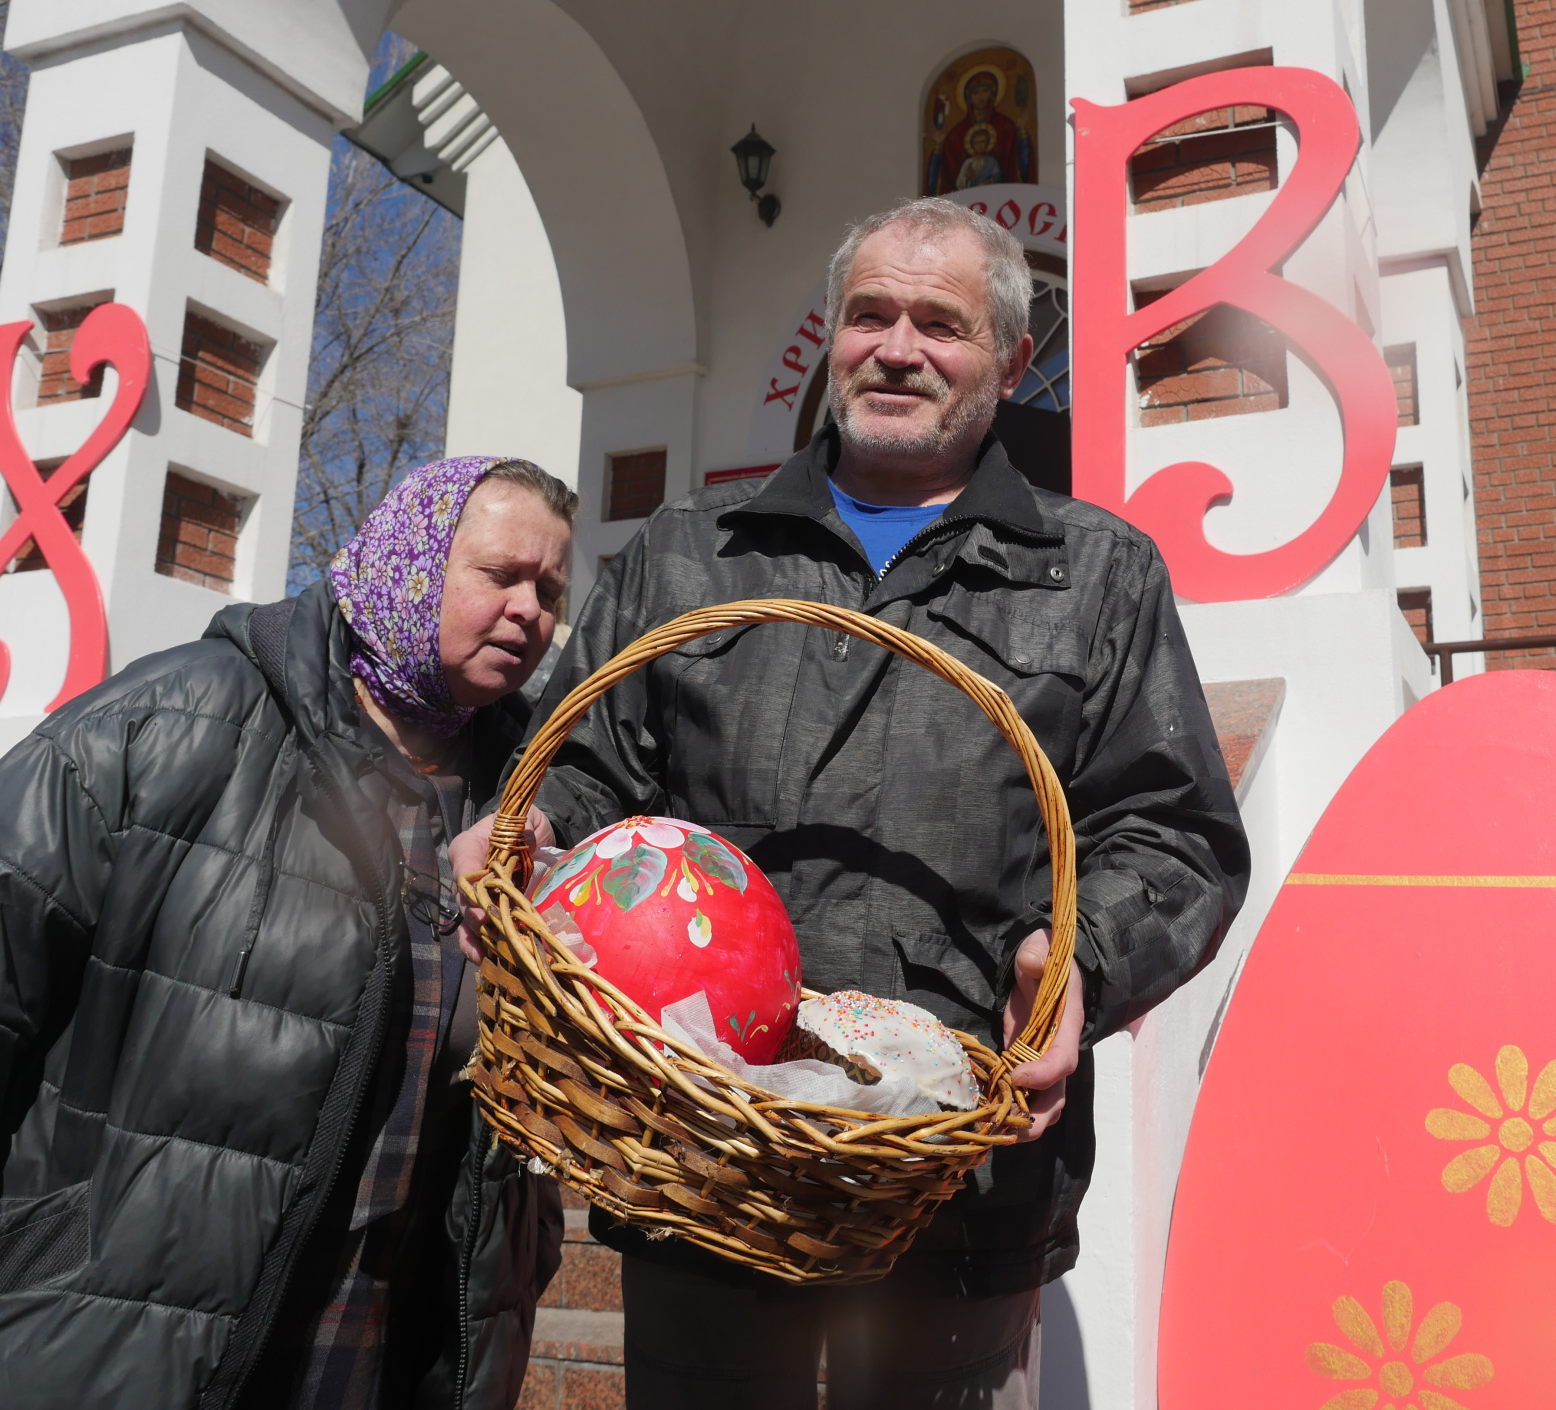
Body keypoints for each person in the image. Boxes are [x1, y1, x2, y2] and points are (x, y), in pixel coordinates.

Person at [453, 198, 1250, 1408]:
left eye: (941, 323)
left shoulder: (1096, 574)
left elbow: (1175, 833)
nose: (895, 347)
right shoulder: (689, 552)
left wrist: (1079, 956)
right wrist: (532, 834)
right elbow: (589, 766)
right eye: (868, 314)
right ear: (831, 338)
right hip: (699, 1149)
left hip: (956, 1189)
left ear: (1013, 362)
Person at [0, 457, 577, 1410]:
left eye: (549, 590)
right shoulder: (175, 721)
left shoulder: (530, 810)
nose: (529, 611)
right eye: (500, 575)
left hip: (378, 1358)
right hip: (109, 1343)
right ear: (410, 563)